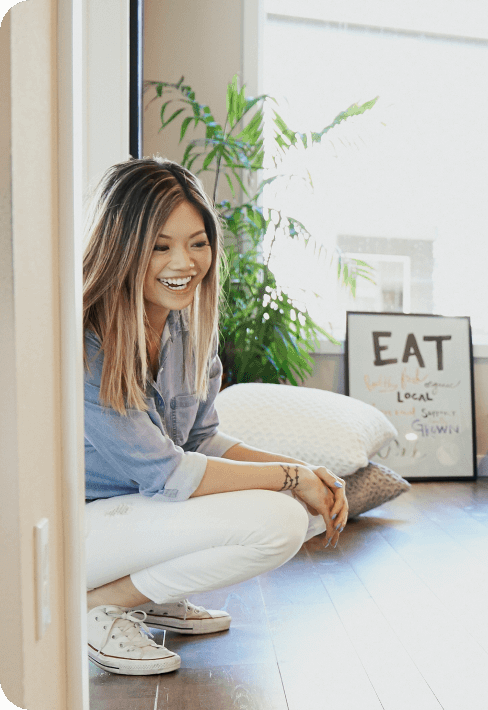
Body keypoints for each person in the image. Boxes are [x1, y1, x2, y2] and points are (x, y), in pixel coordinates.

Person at [82, 158, 349, 675]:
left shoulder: (187, 330)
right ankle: (97, 604)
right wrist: (291, 478)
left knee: (309, 507)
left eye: (197, 242)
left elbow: (202, 439)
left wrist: (306, 472)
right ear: (123, 247)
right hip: (79, 532)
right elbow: (170, 472)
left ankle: (148, 598)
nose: (184, 261)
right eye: (160, 246)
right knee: (282, 518)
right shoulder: (91, 341)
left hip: (140, 514)